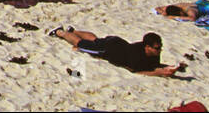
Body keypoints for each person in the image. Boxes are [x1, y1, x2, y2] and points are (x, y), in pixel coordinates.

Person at [50, 29, 185, 77]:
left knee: (95, 39)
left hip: (117, 42)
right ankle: (60, 32)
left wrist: (169, 67)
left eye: (160, 47)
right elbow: (137, 71)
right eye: (156, 48)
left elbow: (153, 65)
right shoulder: (136, 56)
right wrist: (159, 72)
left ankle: (72, 30)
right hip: (108, 50)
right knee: (80, 44)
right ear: (147, 47)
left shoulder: (153, 52)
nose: (159, 50)